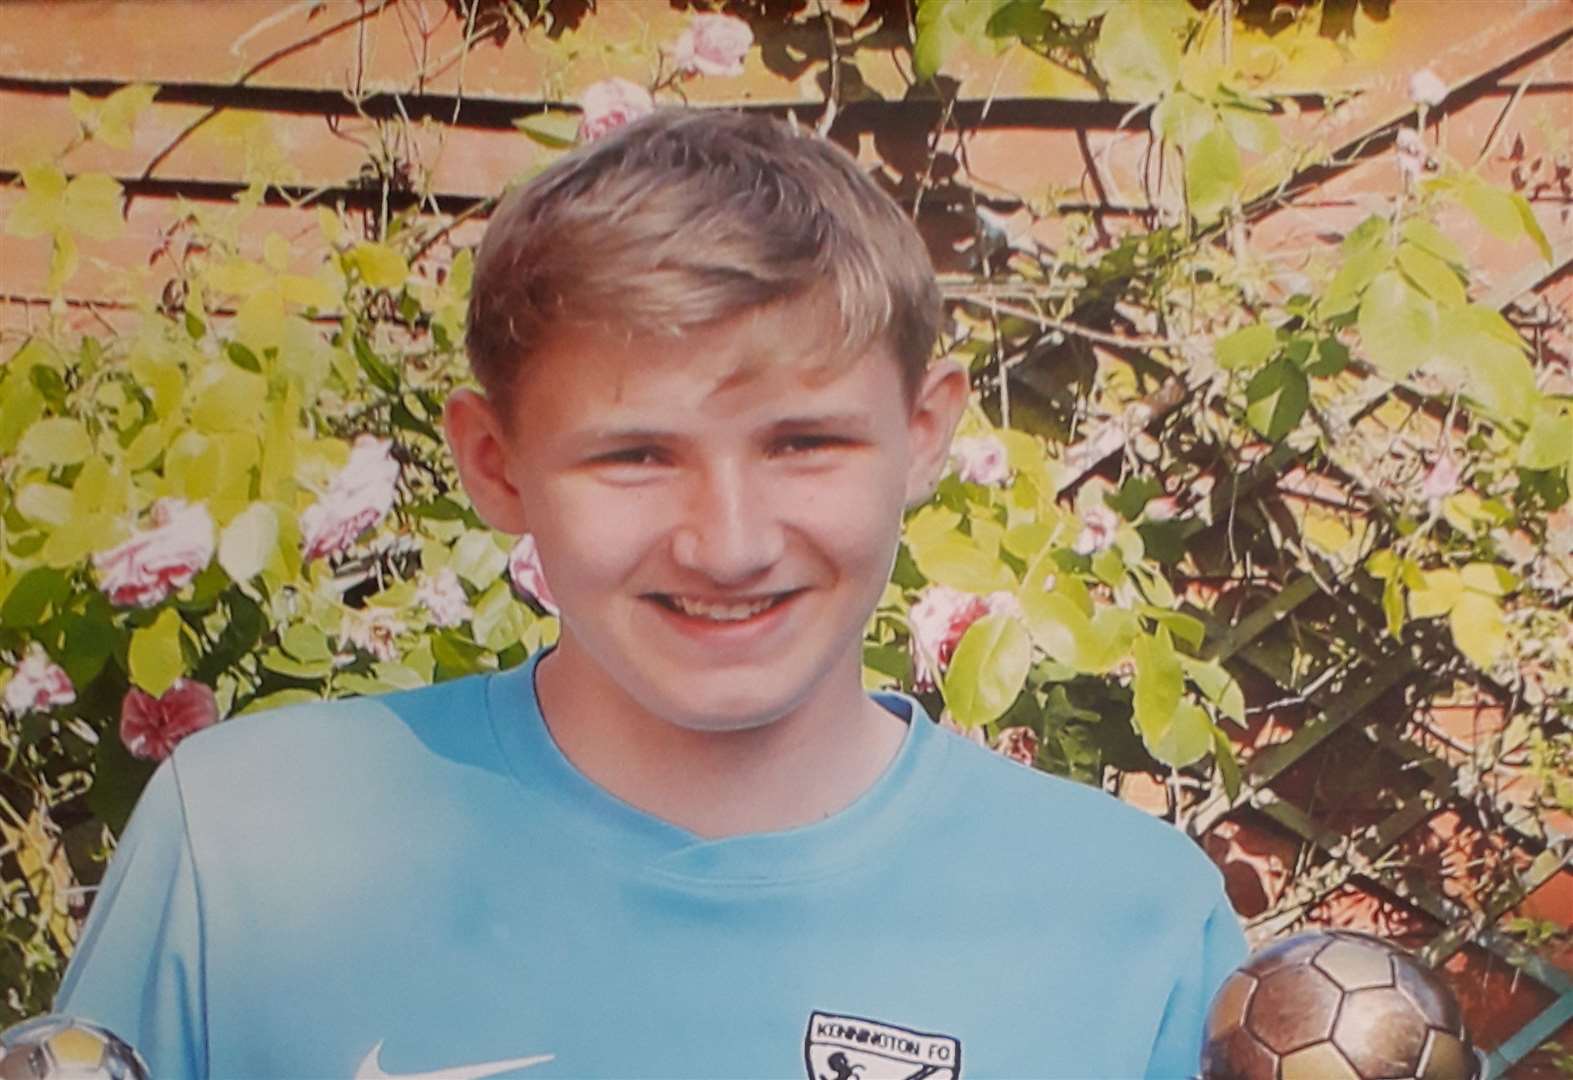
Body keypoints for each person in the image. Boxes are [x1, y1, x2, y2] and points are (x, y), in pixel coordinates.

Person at [55, 109, 1245, 1079]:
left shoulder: (1127, 923)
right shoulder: (252, 847)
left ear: (924, 434)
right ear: (495, 463)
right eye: (633, 455)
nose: (726, 545)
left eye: (804, 445)